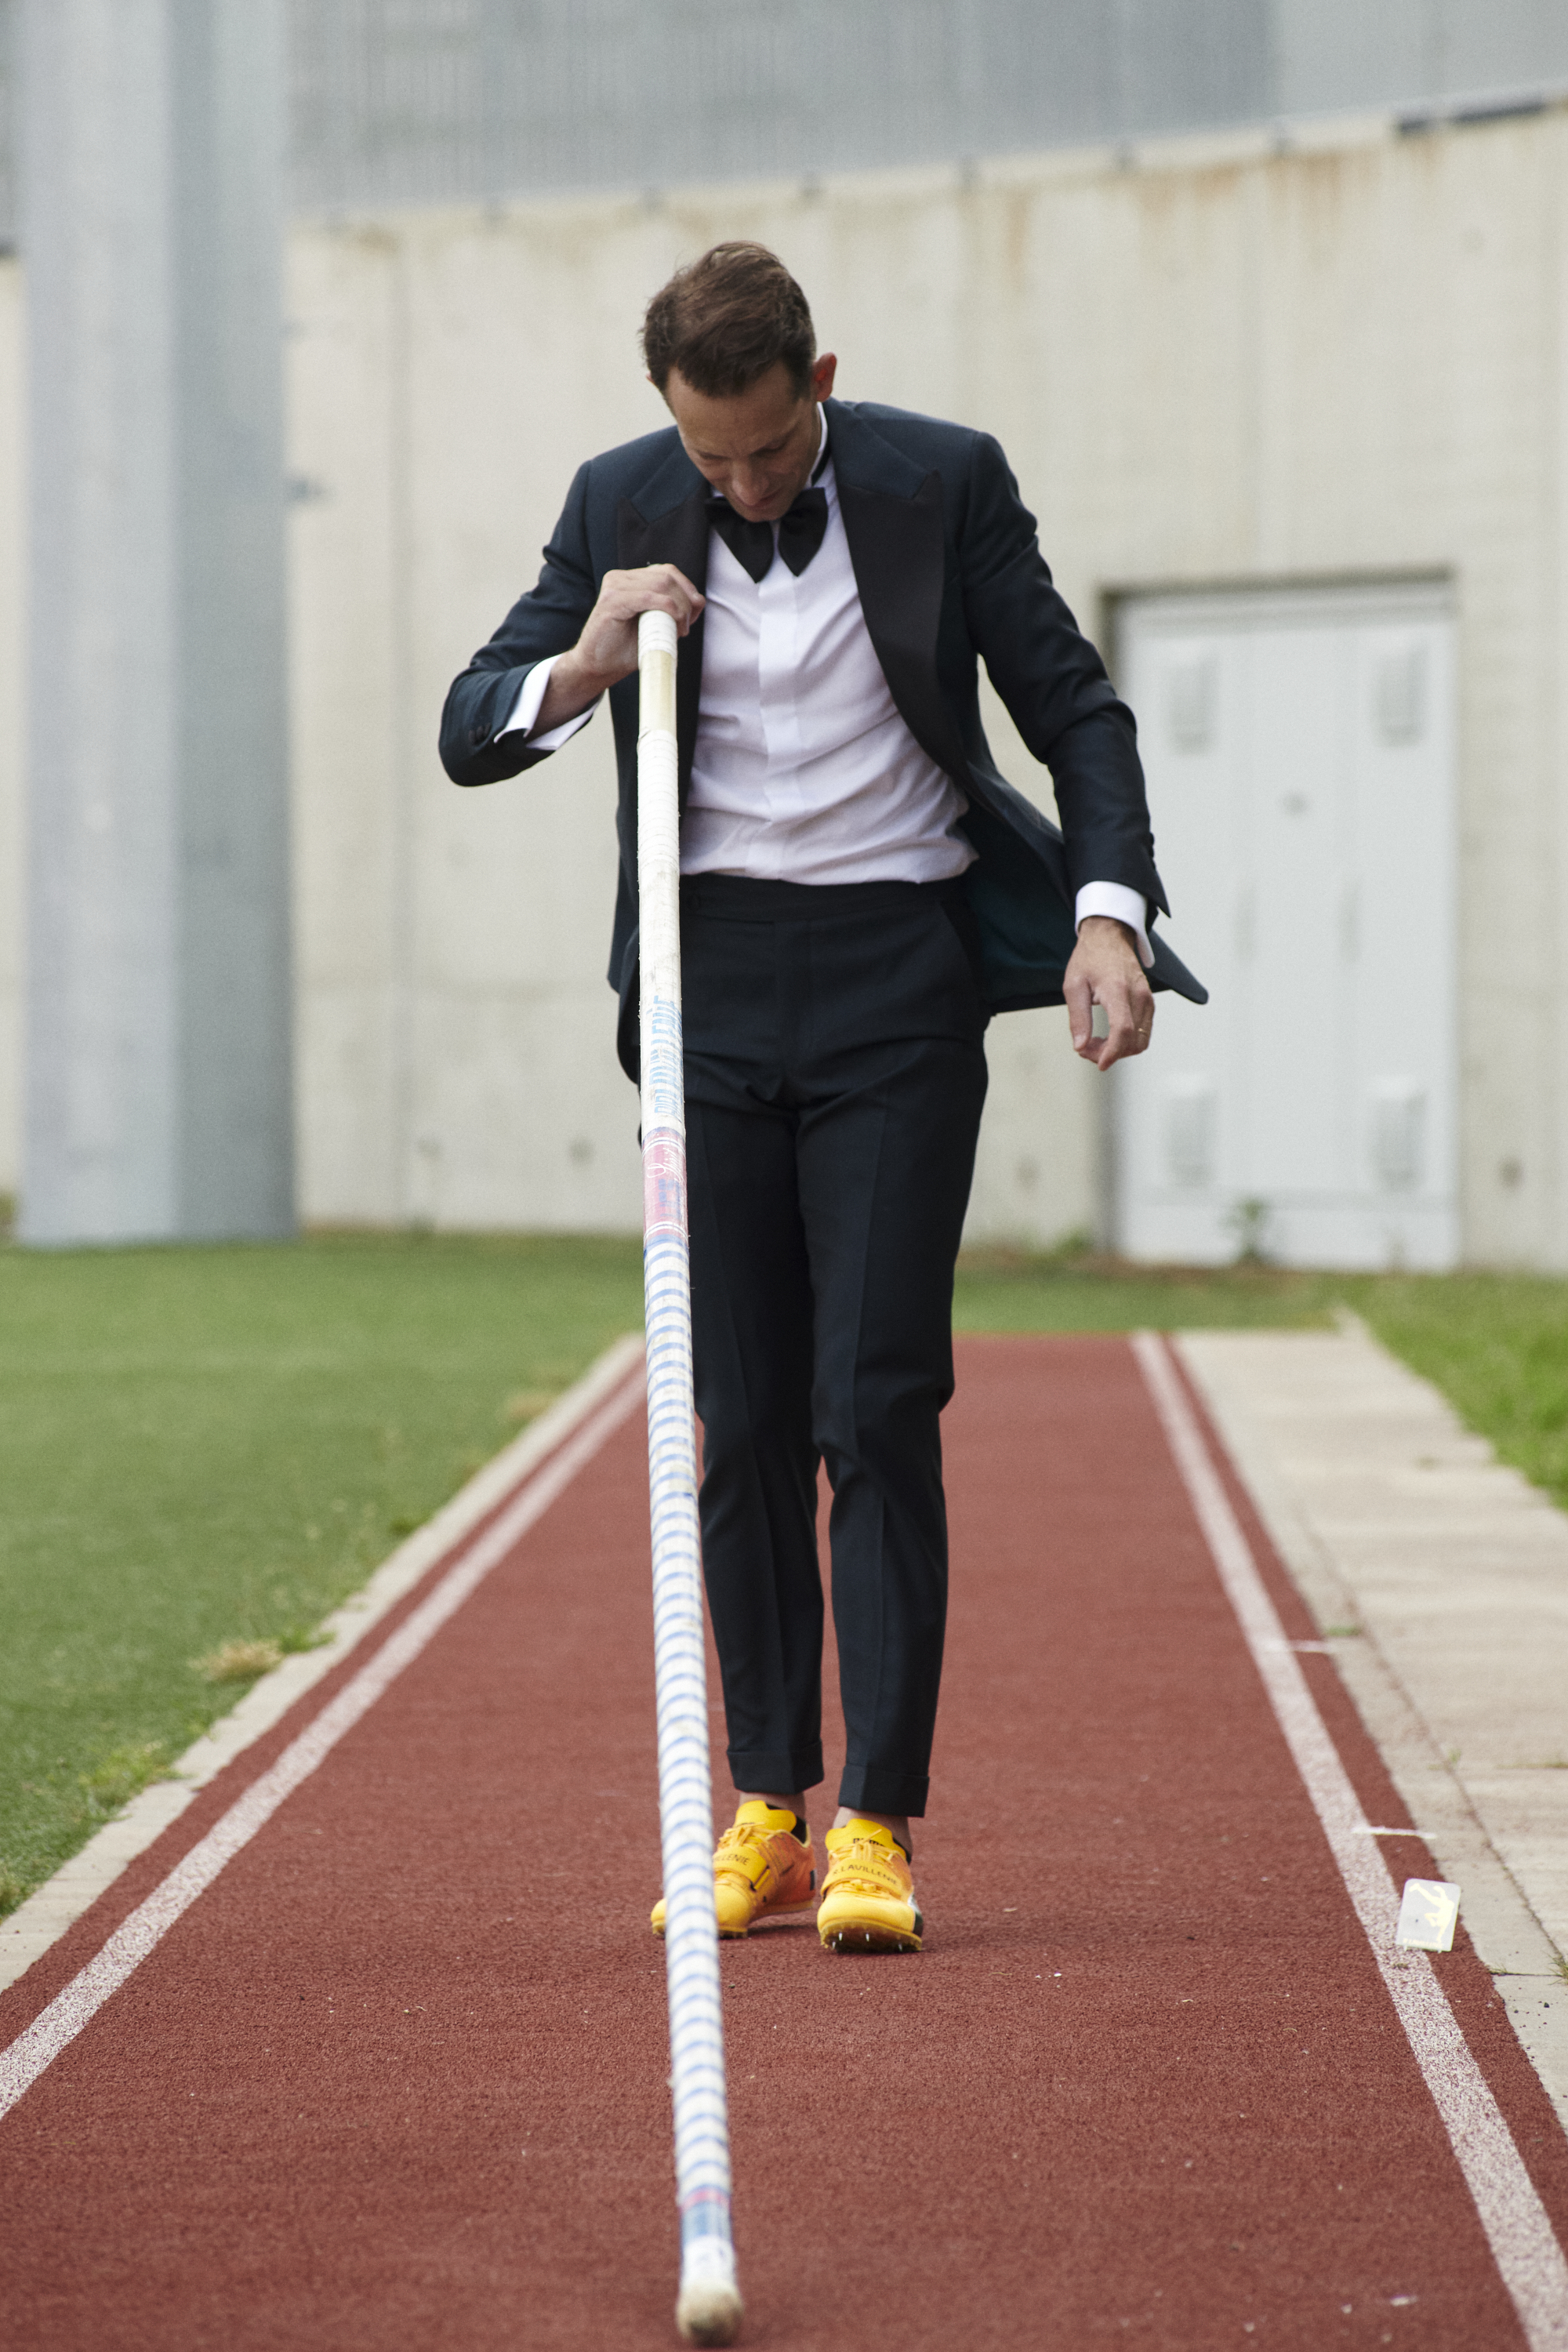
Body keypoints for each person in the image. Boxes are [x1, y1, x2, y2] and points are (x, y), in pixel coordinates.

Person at [441, 242, 1199, 1955]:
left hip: (895, 985)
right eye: (708, 457)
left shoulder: (947, 480)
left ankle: (875, 1821)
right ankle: (769, 1808)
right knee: (743, 1417)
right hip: (704, 992)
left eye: (770, 450)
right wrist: (589, 654)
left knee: (876, 1401)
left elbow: (1077, 713)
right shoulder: (617, 498)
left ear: (823, 384)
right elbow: (470, 727)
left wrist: (1107, 915)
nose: (741, 484)